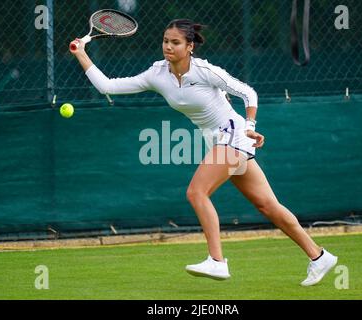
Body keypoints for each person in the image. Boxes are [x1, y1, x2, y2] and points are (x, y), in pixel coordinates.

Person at [70, 19, 338, 286]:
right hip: (218, 141)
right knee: (267, 205)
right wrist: (81, 54)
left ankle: (218, 262)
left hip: (233, 134)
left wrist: (250, 126)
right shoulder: (157, 74)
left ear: (189, 46)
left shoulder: (205, 71)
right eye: (165, 41)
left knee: (196, 192)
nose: (168, 47)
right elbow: (108, 86)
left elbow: (248, 93)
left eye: (175, 42)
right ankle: (319, 256)